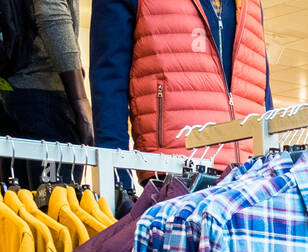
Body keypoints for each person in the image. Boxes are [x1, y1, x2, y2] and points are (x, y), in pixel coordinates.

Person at [90, 0, 273, 172]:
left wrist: (273, 155)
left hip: (253, 170)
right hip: (177, 165)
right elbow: (109, 82)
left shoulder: (252, 3)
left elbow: (260, 83)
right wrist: (116, 177)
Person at [0, 1, 92, 188]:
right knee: (52, 206)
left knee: (16, 206)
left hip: (8, 94)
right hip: (45, 101)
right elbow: (52, 15)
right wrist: (80, 100)